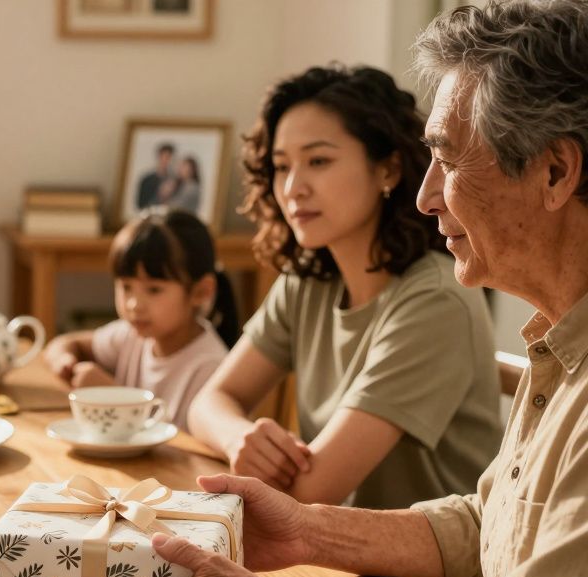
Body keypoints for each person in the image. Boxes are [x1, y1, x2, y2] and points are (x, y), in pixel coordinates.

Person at [86, 2, 588, 577]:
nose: (426, 194)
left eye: (447, 160)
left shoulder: (446, 309)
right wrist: (310, 532)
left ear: (555, 171)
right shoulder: (558, 346)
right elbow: (492, 524)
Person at [187, 64, 502, 509]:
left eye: (318, 161)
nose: (293, 187)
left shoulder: (435, 299)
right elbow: (208, 402)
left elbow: (313, 490)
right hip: (329, 545)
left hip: (418, 573)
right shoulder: (307, 280)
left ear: (388, 169)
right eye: (281, 167)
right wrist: (240, 438)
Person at [43, 209, 236, 429]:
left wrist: (114, 396)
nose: (134, 304)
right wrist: (65, 362)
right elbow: (65, 343)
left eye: (154, 290)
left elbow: (184, 451)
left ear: (200, 292)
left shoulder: (209, 368)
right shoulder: (130, 335)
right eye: (126, 287)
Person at [136, 143, 177, 209]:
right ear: (159, 156)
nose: (166, 161)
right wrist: (160, 194)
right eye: (165, 157)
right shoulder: (147, 179)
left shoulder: (174, 180)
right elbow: (140, 204)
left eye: (169, 157)